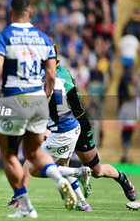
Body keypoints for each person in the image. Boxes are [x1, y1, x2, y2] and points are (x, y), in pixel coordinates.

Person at [0, 0, 76, 218]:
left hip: (14, 99)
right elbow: (51, 74)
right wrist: (44, 98)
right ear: (30, 14)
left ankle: (26, 206)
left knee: (8, 154)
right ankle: (59, 178)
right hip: (38, 101)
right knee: (33, 152)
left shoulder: (3, 36)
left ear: (11, 14)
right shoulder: (44, 38)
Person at [55, 53, 137, 202]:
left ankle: (122, 178)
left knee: (97, 171)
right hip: (60, 126)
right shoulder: (45, 73)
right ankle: (80, 200)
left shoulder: (60, 74)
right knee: (54, 165)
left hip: (77, 124)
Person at [16, 70, 92, 212]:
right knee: (63, 167)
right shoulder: (55, 78)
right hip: (73, 127)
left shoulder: (41, 85)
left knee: (34, 168)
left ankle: (79, 172)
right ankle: (82, 203)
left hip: (62, 133)